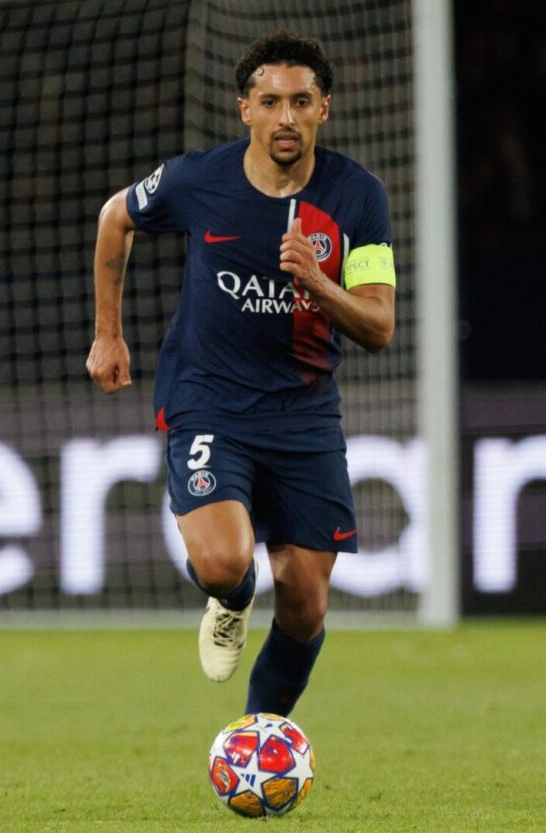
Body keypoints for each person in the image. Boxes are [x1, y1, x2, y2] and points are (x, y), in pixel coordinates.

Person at [86, 31, 396, 717]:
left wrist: (318, 283)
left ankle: (259, 737)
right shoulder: (200, 180)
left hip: (303, 414)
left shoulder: (357, 197)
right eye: (271, 101)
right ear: (245, 109)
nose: (286, 116)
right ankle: (230, 599)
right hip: (209, 402)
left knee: (306, 605)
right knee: (226, 563)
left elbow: (378, 326)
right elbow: (115, 217)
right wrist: (108, 333)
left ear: (324, 109)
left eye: (301, 101)